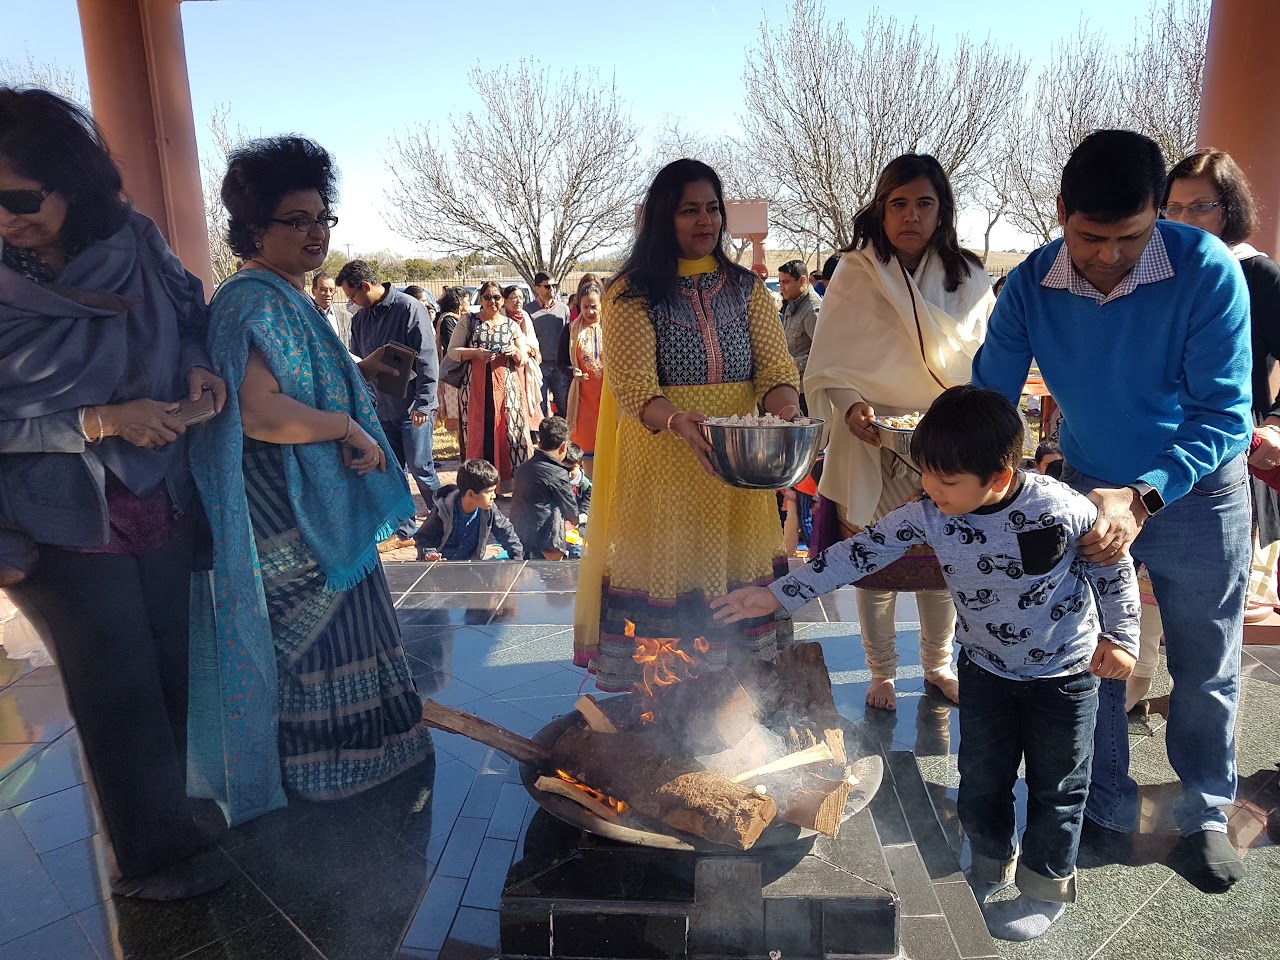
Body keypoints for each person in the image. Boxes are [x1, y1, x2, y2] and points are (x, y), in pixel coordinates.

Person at [713, 386, 1139, 942]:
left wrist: (1122, 637)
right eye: (927, 477)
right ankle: (989, 863)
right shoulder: (930, 512)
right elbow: (855, 554)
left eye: (946, 482)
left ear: (999, 477)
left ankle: (1044, 887)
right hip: (985, 671)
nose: (931, 491)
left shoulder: (1060, 509)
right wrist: (777, 595)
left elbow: (1113, 568)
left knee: (1058, 786)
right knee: (981, 779)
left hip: (1063, 678)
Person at [971, 129, 1252, 893]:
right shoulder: (1030, 284)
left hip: (1197, 494)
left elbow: (1225, 414)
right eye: (1090, 237)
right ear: (1062, 210)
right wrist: (974, 474)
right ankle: (1103, 805)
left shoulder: (1206, 270)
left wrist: (1145, 493)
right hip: (1090, 485)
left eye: (1129, 237)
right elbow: (989, 398)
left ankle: (1203, 813)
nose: (1108, 256)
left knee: (1204, 662)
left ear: (1157, 210)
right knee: (1090, 655)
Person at [0, 88, 232, 899]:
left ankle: (179, 814)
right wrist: (98, 420)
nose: (5, 220)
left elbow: (190, 314)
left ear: (72, 180)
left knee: (171, 665)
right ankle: (151, 859)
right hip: (55, 512)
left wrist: (198, 366)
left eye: (19, 198)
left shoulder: (134, 240)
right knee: (114, 685)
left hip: (157, 492)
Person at [189, 136, 433, 826]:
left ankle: (369, 757)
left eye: (323, 218)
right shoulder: (253, 301)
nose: (316, 233)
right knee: (321, 635)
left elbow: (293, 382)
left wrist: (354, 374)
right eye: (296, 221)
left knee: (349, 625)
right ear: (253, 229)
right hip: (285, 504)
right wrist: (349, 426)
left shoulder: (283, 296)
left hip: (308, 494)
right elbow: (260, 413)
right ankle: (332, 771)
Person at [572, 158, 802, 691]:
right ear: (662, 218)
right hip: (664, 466)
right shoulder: (630, 294)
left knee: (736, 582)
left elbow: (774, 370)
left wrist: (788, 411)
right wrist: (677, 419)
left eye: (713, 208)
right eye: (689, 210)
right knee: (670, 583)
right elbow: (633, 387)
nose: (706, 221)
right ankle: (667, 701)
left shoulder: (746, 288)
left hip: (736, 468)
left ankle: (734, 697)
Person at [804, 153, 994, 711]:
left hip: (948, 439)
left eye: (923, 204)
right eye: (899, 204)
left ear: (942, 211)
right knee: (876, 567)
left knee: (942, 566)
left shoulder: (969, 276)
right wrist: (852, 407)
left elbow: (983, 361)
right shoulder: (854, 273)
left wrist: (955, 422)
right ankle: (881, 671)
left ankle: (937, 666)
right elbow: (829, 365)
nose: (911, 215)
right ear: (881, 210)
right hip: (868, 437)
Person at [1163, 148, 1280, 624]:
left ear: (1229, 209)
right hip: (1158, 454)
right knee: (1141, 615)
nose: (1184, 219)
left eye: (1200, 207)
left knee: (1216, 616)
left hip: (1231, 455)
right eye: (1173, 208)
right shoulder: (1153, 273)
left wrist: (1276, 424)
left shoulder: (1257, 274)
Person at [337, 259, 440, 510]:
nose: (352, 302)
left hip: (413, 408)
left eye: (352, 296)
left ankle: (444, 518)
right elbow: (358, 363)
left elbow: (428, 359)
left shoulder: (409, 308)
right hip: (381, 410)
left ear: (365, 286)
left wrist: (423, 404)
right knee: (392, 470)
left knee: (421, 468)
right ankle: (404, 525)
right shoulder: (360, 320)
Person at [445, 279, 531, 483]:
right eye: (487, 297)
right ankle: (478, 483)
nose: (492, 301)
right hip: (475, 388)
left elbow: (524, 358)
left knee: (507, 432)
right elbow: (452, 351)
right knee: (478, 434)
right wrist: (476, 353)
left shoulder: (511, 325)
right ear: (481, 299)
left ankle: (506, 482)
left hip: (506, 390)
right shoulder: (468, 321)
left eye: (497, 297)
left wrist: (514, 351)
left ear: (502, 300)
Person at [414, 458, 523, 562]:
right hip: (440, 567)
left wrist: (518, 561)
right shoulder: (443, 511)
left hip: (469, 566)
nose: (493, 496)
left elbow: (507, 534)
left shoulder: (489, 510)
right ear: (470, 494)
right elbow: (423, 537)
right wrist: (429, 554)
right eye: (489, 492)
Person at [511, 416, 578, 560]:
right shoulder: (558, 472)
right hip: (544, 541)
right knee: (557, 510)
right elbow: (570, 509)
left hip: (519, 532)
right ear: (564, 447)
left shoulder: (523, 468)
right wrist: (579, 519)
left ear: (539, 444)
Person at [567, 281, 603, 461]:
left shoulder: (612, 327)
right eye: (585, 307)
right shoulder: (572, 329)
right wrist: (572, 371)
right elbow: (562, 361)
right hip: (583, 399)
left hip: (608, 397)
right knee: (587, 449)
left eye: (594, 307)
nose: (590, 312)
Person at [778, 259, 821, 412]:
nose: (781, 287)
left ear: (802, 281)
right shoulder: (792, 304)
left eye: (786, 282)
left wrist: (796, 363)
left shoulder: (812, 310)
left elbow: (824, 353)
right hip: (792, 386)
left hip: (806, 391)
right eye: (780, 282)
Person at [502, 283, 544, 436]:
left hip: (525, 366)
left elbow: (532, 341)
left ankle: (531, 433)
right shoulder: (501, 318)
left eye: (521, 297)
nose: (518, 301)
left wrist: (529, 350)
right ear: (505, 301)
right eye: (514, 298)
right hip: (507, 367)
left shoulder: (525, 316)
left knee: (528, 399)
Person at [528, 271, 571, 417]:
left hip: (559, 367)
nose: (551, 289)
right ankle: (543, 432)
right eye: (547, 286)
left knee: (563, 404)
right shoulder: (528, 311)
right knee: (540, 407)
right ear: (537, 289)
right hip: (539, 366)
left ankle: (565, 431)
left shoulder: (563, 309)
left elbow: (567, 337)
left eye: (554, 286)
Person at [434, 286, 467, 439]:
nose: (468, 303)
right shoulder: (448, 320)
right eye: (467, 299)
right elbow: (451, 347)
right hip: (453, 370)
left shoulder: (460, 319)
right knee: (456, 408)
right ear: (459, 301)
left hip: (461, 368)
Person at [310, 271, 351, 344]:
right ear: (313, 291)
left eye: (332, 290)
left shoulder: (346, 317)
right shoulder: (304, 314)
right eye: (323, 290)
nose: (328, 294)